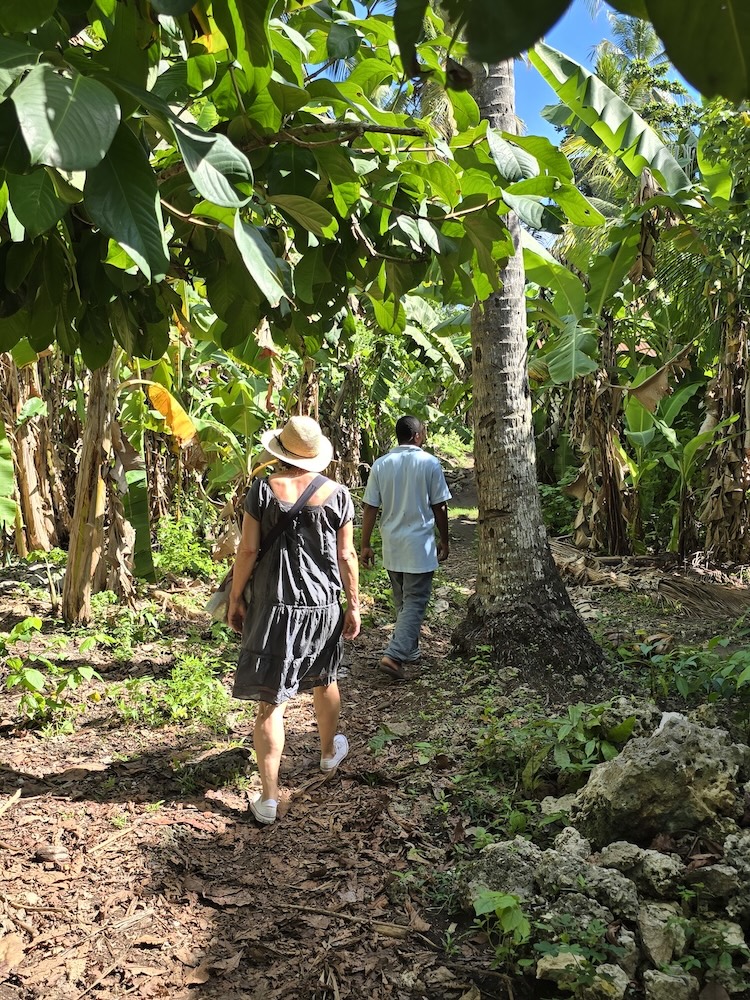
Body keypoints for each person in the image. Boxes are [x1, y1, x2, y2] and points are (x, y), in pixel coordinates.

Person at [227, 415, 360, 825]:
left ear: (280, 451)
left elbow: (247, 552)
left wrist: (235, 597)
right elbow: (346, 556)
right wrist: (353, 604)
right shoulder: (338, 495)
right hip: (323, 605)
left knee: (271, 701)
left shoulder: (262, 491)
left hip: (274, 606)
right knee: (326, 678)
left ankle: (268, 799)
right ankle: (326, 754)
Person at [360, 415, 450, 680]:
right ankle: (395, 654)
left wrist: (365, 544)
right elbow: (440, 505)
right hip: (419, 545)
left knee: (402, 600)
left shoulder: (381, 464)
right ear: (417, 436)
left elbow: (370, 507)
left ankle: (409, 650)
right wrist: (445, 539)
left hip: (393, 544)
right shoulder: (430, 463)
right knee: (415, 601)